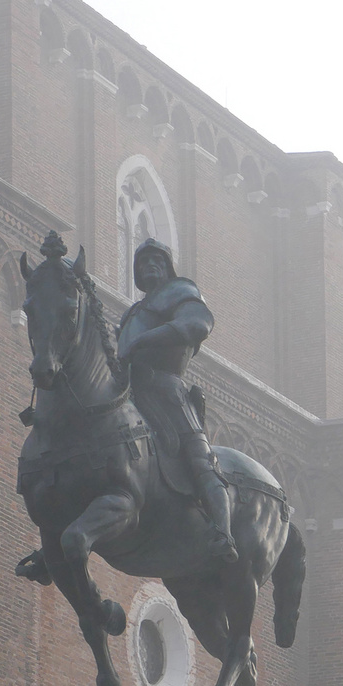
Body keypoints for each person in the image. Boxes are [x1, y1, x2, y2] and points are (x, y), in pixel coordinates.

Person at [117, 239, 236, 561]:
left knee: (200, 460)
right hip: (127, 389)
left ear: (168, 267)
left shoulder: (181, 292)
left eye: (157, 260)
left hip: (165, 390)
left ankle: (223, 533)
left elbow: (197, 324)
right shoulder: (133, 313)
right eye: (143, 262)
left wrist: (143, 341)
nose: (150, 266)